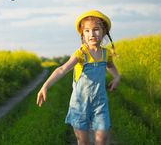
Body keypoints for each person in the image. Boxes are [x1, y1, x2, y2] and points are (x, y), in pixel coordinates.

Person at [37, 10, 120, 145]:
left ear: (104, 31)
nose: (91, 34)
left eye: (95, 29)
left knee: (102, 139)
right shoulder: (81, 54)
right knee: (83, 141)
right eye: (87, 31)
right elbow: (62, 69)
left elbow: (110, 66)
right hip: (80, 105)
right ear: (82, 34)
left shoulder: (106, 53)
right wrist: (45, 86)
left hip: (100, 104)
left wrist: (117, 77)